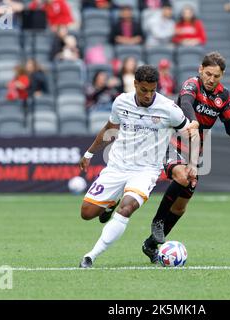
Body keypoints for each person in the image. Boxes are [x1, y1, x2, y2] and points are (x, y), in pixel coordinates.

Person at [141, 52, 230, 263]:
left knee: (181, 206)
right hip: (174, 141)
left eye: (216, 76)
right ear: (201, 70)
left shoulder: (223, 97)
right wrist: (192, 121)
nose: (211, 79)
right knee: (182, 177)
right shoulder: (192, 85)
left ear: (222, 75)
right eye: (208, 74)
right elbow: (187, 103)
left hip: (197, 150)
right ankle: (158, 222)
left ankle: (151, 244)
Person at [78, 65, 196, 268]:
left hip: (145, 171)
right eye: (144, 90)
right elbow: (109, 129)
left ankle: (91, 256)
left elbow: (191, 132)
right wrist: (89, 153)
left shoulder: (168, 109)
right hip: (117, 166)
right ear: (135, 85)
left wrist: (193, 163)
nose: (149, 95)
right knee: (87, 213)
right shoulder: (121, 102)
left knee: (127, 208)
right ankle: (110, 202)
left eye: (153, 90)